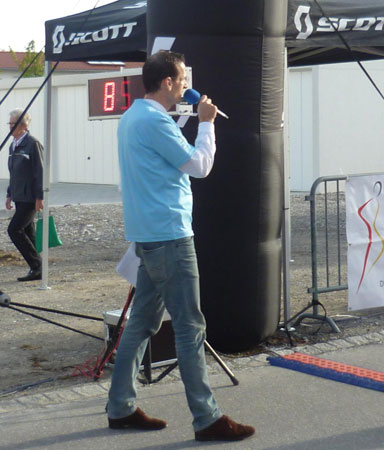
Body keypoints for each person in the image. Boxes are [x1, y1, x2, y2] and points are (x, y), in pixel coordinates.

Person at [106, 51, 255, 442]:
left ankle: (120, 406)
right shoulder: (156, 121)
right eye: (183, 79)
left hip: (149, 235)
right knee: (189, 326)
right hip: (170, 235)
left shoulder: (133, 117)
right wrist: (206, 124)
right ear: (168, 82)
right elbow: (199, 166)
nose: (187, 85)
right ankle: (207, 417)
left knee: (142, 323)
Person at [5, 109, 44, 282]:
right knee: (28, 232)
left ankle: (37, 265)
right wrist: (9, 194)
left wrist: (40, 197)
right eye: (9, 123)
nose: (10, 127)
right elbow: (13, 172)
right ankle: (38, 268)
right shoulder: (13, 145)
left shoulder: (32, 144)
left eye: (13, 124)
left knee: (14, 230)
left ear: (23, 125)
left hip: (30, 197)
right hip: (19, 195)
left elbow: (40, 171)